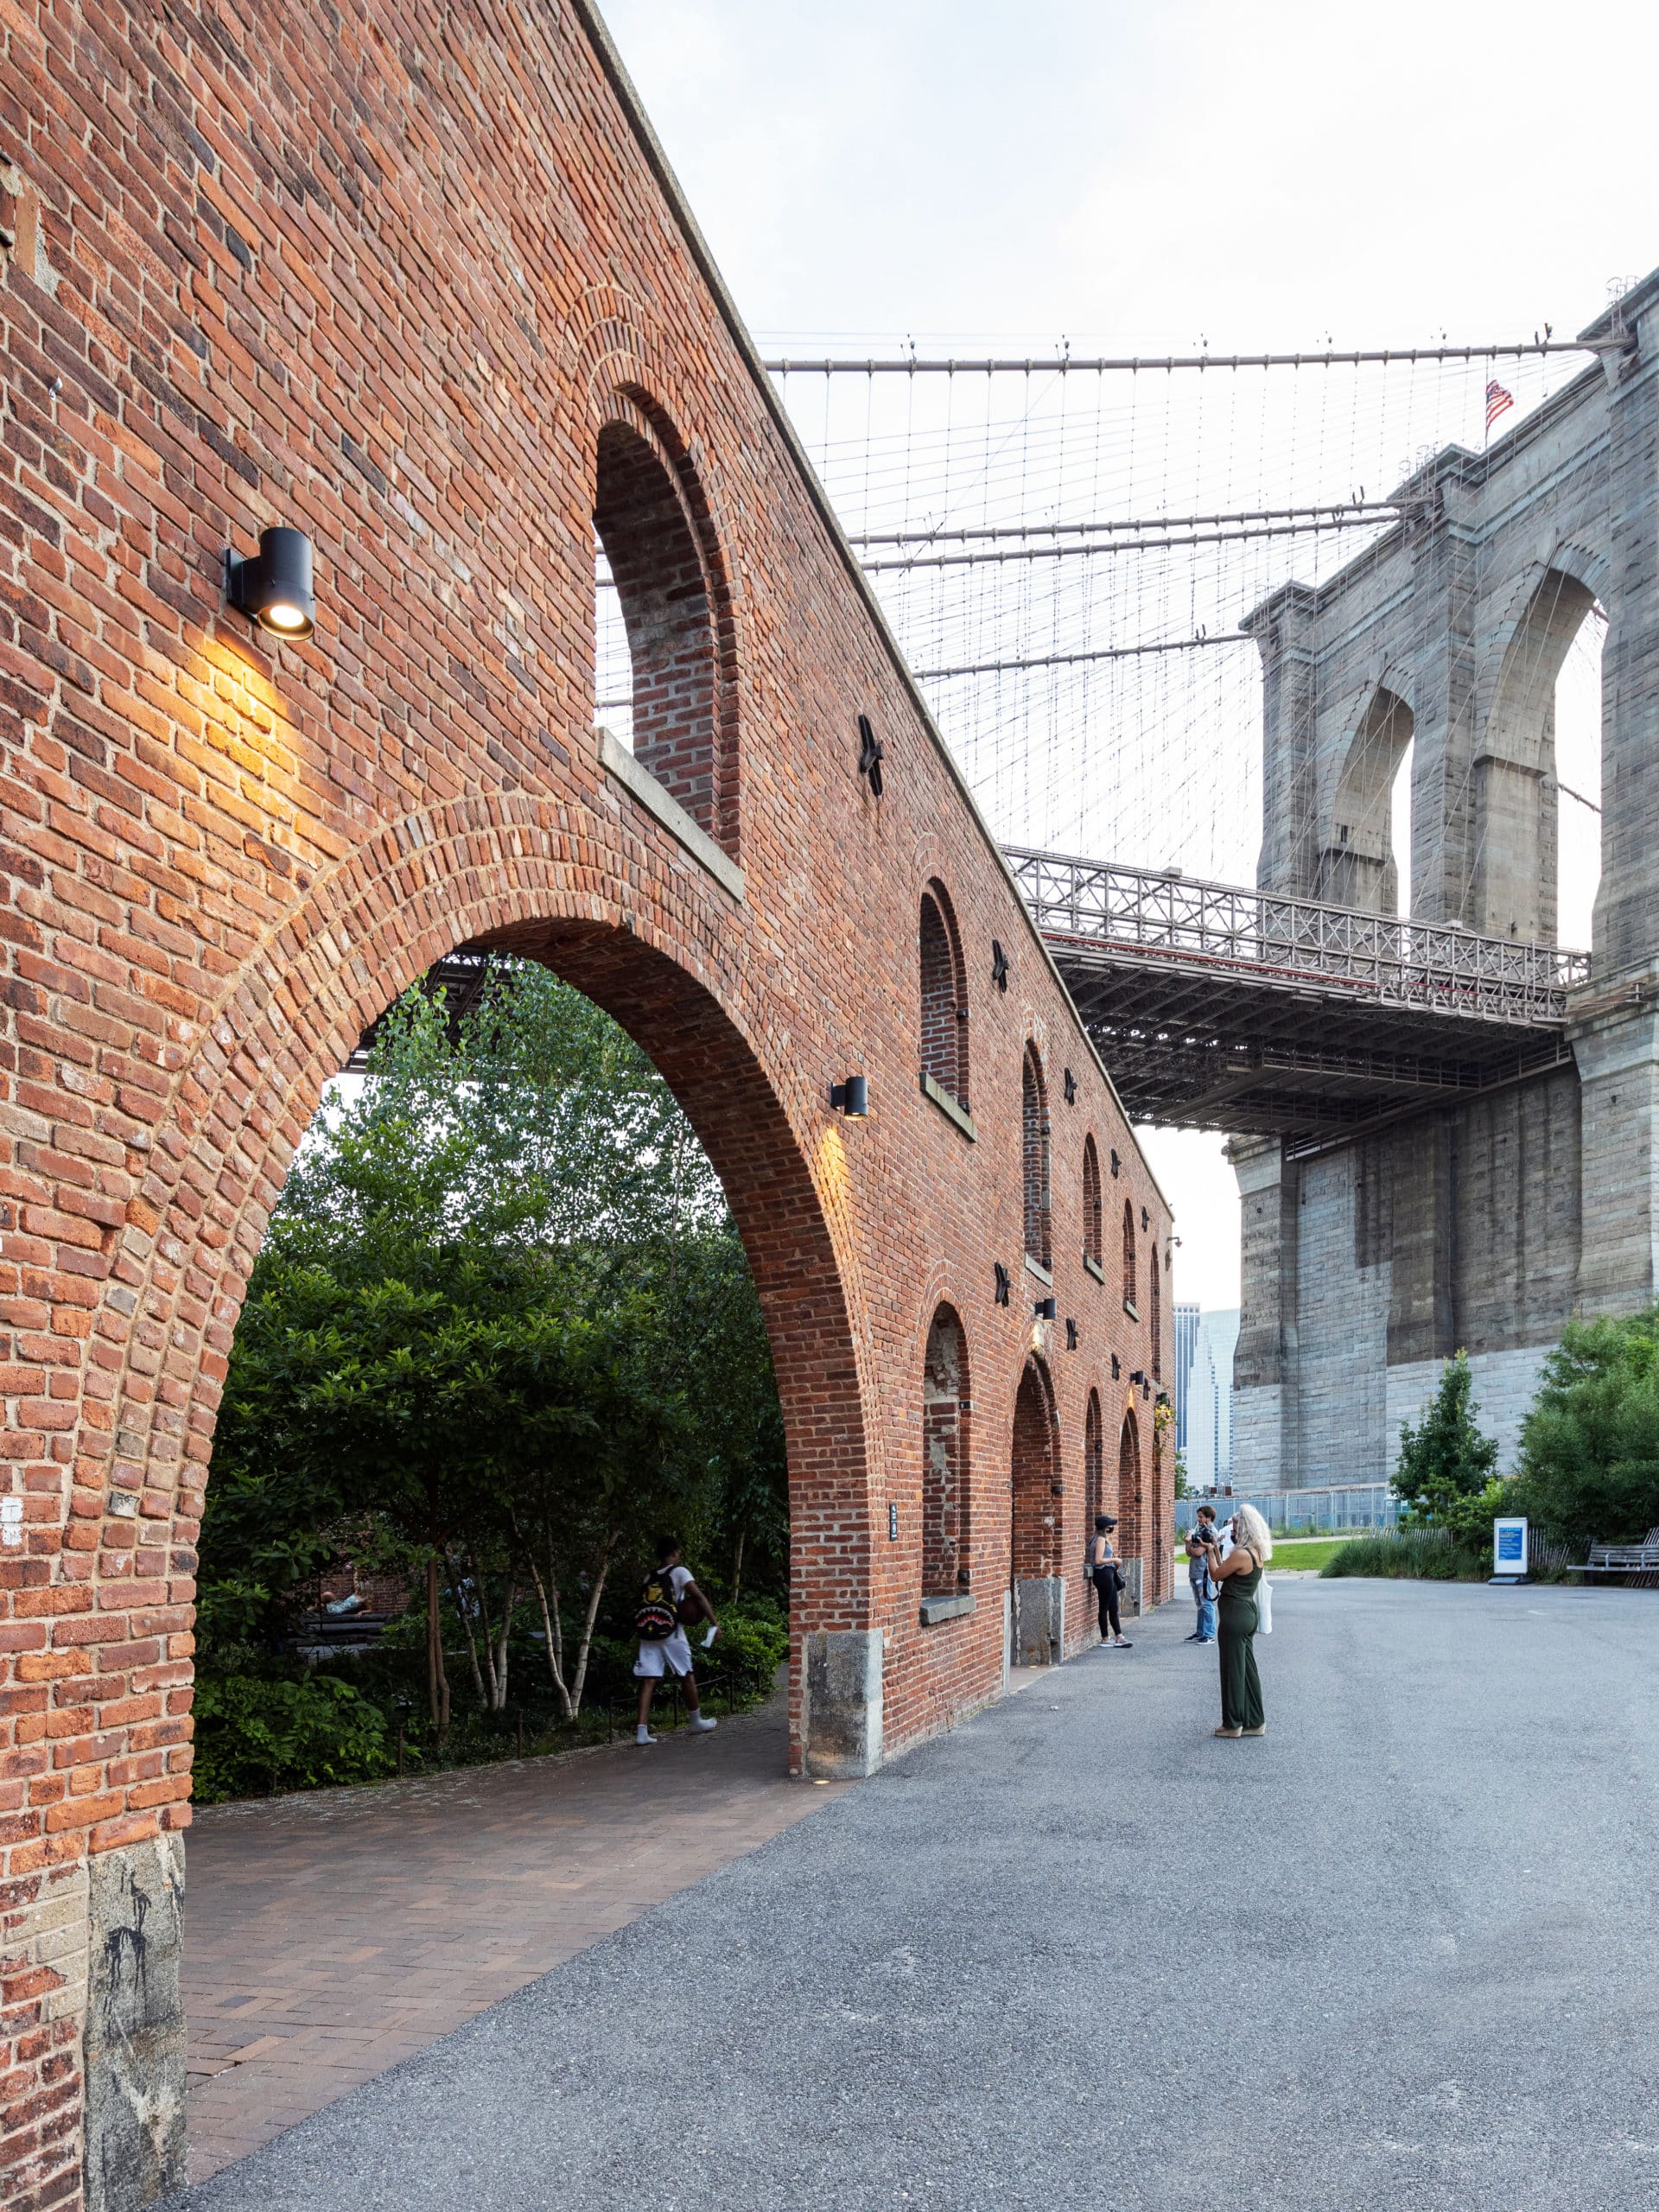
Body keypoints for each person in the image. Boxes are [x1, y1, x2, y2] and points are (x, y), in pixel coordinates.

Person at [633, 1538, 721, 1745]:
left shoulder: (649, 1576)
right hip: (672, 1632)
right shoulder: (679, 1572)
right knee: (686, 1675)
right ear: (673, 1553)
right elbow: (697, 1596)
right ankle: (695, 1721)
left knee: (648, 1681)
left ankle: (641, 1732)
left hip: (648, 1631)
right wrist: (714, 1623)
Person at [1202, 1500, 1272, 1738]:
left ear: (1244, 1528)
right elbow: (1227, 1571)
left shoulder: (1241, 1553)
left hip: (1234, 1615)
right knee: (1247, 1669)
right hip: (1247, 1613)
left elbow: (1216, 1575)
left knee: (1232, 1669)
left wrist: (1210, 1552)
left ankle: (1233, 1724)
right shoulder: (1256, 1552)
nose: (1231, 1532)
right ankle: (1255, 1721)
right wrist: (1216, 1551)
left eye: (1234, 1528)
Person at [1085, 1514, 1132, 1648]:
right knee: (1106, 1607)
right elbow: (1098, 1561)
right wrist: (1114, 1560)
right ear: (1104, 1527)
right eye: (1110, 1525)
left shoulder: (1101, 1539)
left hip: (1108, 1573)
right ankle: (1106, 1638)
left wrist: (1115, 1564)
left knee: (1112, 1606)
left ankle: (1118, 1636)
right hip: (1103, 1575)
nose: (1112, 1527)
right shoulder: (1100, 1540)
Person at [1184, 1504, 1218, 1643]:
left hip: (1204, 1573)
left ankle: (1209, 1633)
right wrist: (1188, 1543)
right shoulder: (1201, 1531)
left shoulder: (1211, 1533)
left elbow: (1198, 1552)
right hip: (1195, 1571)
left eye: (1201, 1517)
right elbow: (1188, 1552)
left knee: (1206, 1602)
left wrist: (1192, 1543)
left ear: (1208, 1518)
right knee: (1199, 1604)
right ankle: (1201, 1631)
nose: (1198, 1519)